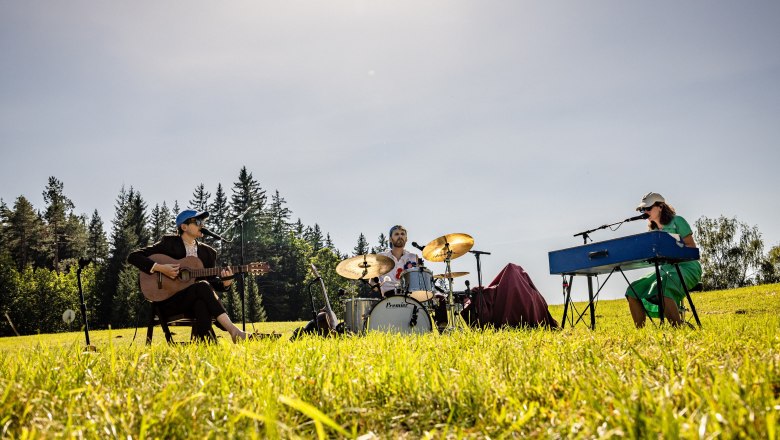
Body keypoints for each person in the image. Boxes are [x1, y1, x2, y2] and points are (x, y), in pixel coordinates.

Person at [128, 209, 252, 343]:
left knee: (201, 300)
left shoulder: (208, 252)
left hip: (193, 301)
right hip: (168, 302)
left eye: (203, 222)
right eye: (198, 222)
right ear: (184, 227)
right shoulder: (169, 243)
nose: (202, 225)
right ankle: (234, 331)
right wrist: (161, 268)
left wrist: (226, 283)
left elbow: (211, 282)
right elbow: (133, 257)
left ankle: (205, 344)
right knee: (202, 287)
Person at [625, 192, 702, 327]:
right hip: (664, 271)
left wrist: (672, 249)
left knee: (664, 287)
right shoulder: (652, 232)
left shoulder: (678, 221)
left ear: (660, 206)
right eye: (643, 209)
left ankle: (678, 329)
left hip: (687, 267)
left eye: (648, 208)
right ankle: (640, 333)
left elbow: (691, 247)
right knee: (632, 290)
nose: (645, 211)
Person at [375, 225, 420, 297]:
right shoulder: (381, 257)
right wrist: (375, 286)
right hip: (387, 299)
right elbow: (372, 279)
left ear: (406, 239)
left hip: (409, 298)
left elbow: (419, 280)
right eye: (396, 234)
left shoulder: (413, 257)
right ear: (390, 239)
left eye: (402, 234)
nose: (400, 236)